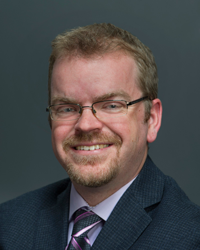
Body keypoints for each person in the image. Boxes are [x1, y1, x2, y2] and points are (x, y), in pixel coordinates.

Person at [0, 23, 200, 250]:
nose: (85, 124)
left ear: (151, 118)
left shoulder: (190, 237)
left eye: (111, 105)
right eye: (66, 108)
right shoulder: (7, 225)